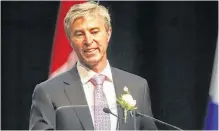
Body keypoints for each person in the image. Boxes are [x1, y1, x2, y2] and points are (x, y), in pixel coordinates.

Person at [29, 2, 157, 130]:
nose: (88, 41)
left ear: (108, 33)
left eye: (94, 31)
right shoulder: (48, 92)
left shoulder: (137, 87)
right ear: (70, 40)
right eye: (79, 34)